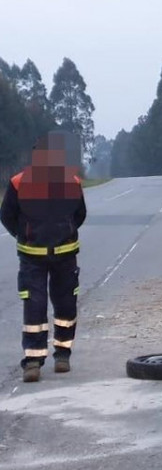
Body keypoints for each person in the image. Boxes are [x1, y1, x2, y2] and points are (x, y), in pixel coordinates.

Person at [0, 131, 87, 383]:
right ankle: (33, 361)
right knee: (34, 307)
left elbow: (79, 214)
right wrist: (25, 235)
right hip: (31, 258)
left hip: (65, 256)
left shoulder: (71, 182)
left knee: (66, 306)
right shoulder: (19, 182)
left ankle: (63, 355)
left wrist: (65, 233)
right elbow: (7, 215)